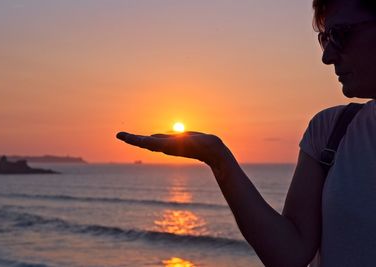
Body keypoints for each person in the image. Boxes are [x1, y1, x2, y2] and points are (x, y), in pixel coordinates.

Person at [117, 0, 376, 266]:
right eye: (324, 38)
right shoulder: (331, 130)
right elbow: (289, 255)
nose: (327, 56)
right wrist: (219, 159)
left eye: (340, 34)